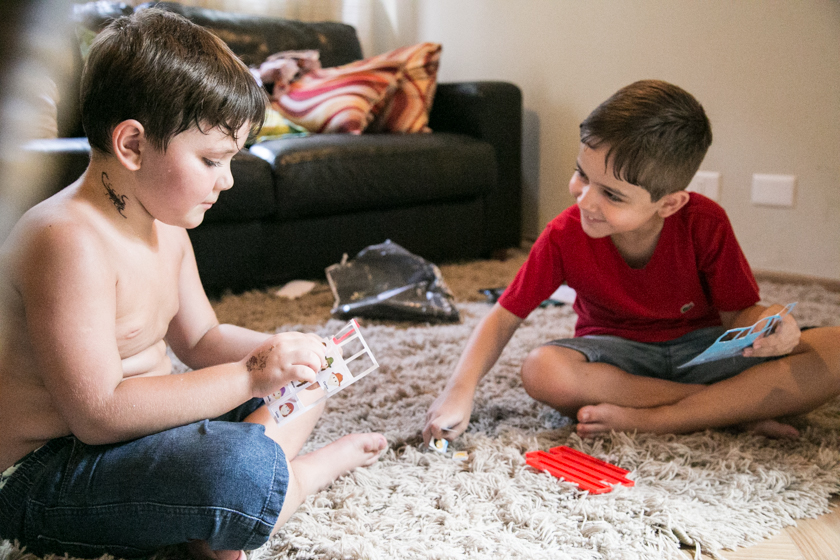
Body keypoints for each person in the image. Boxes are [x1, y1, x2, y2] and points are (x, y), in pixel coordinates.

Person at [0, 9, 387, 560]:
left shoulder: (163, 224)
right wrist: (250, 375)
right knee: (240, 468)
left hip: (140, 438)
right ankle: (293, 481)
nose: (226, 180)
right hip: (46, 470)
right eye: (211, 160)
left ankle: (220, 519)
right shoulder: (66, 240)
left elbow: (201, 339)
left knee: (309, 377)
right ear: (132, 145)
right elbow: (98, 413)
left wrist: (282, 355)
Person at [423, 79, 840, 445]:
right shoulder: (562, 235)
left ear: (670, 203)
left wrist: (774, 324)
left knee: (833, 348)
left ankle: (666, 420)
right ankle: (729, 410)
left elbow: (738, 316)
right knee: (542, 370)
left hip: (703, 352)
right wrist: (459, 389)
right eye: (582, 175)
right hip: (617, 360)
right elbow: (503, 318)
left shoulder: (705, 222)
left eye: (613, 195)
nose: (584, 199)